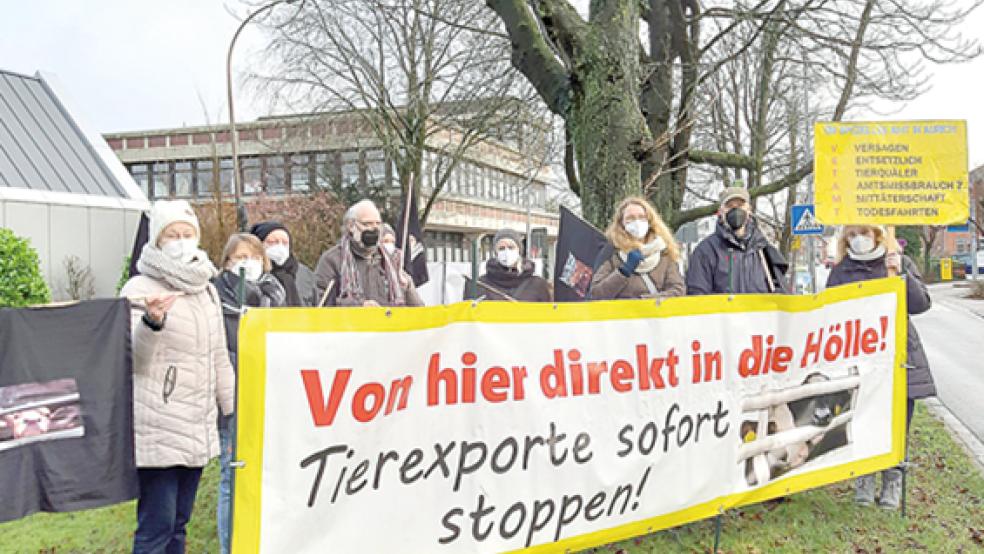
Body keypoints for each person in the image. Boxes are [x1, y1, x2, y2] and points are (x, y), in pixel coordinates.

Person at [119, 200, 235, 554]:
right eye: (173, 235)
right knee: (157, 526)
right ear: (157, 240)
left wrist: (232, 410)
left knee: (179, 524)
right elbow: (133, 358)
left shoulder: (206, 289)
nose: (182, 241)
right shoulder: (139, 288)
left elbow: (218, 355)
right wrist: (152, 321)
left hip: (196, 423)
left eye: (188, 233)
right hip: (158, 423)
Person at [826, 224, 935, 510]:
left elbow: (921, 304)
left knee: (897, 422)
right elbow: (829, 313)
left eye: (864, 233)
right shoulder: (841, 271)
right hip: (861, 357)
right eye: (851, 235)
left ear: (877, 235)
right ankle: (865, 476)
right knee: (863, 418)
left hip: (898, 354)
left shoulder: (898, 262)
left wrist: (901, 275)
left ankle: (893, 479)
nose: (858, 240)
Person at [211, 233, 286, 554]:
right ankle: (230, 545)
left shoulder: (275, 294)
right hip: (233, 398)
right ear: (227, 262)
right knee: (231, 477)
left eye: (254, 257)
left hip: (269, 396)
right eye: (241, 257)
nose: (248, 263)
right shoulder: (215, 297)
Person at [314, 199, 424, 307]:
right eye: (367, 224)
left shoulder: (391, 260)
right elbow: (321, 303)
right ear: (351, 226)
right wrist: (359, 306)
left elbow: (418, 310)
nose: (374, 229)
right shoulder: (332, 260)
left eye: (378, 224)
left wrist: (409, 287)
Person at [686, 186, 788, 294]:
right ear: (720, 211)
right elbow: (697, 295)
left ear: (749, 210)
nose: (735, 210)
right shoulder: (705, 251)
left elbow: (782, 296)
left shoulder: (765, 251)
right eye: (729, 206)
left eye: (740, 205)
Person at [590, 197, 686, 300]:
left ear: (650, 222)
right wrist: (623, 271)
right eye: (630, 218)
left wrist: (642, 302)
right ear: (621, 224)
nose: (637, 222)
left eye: (642, 217)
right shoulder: (611, 253)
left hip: (654, 310)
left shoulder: (664, 253)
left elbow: (678, 290)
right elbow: (597, 294)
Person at [464, 228, 552, 302]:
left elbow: (548, 314)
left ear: (519, 250)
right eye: (501, 248)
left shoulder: (538, 285)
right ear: (496, 253)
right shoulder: (480, 285)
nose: (506, 252)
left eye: (511, 247)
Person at [250, 221, 318, 306]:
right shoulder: (250, 272)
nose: (280, 246)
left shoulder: (304, 274)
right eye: (273, 242)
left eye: (285, 243)